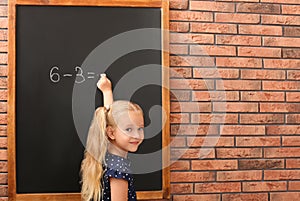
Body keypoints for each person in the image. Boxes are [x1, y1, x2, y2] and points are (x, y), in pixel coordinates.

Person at [80, 74, 144, 201]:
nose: (136, 135)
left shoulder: (106, 155)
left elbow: (110, 118)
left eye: (140, 128)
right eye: (129, 129)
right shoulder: (119, 168)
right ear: (111, 133)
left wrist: (107, 91)